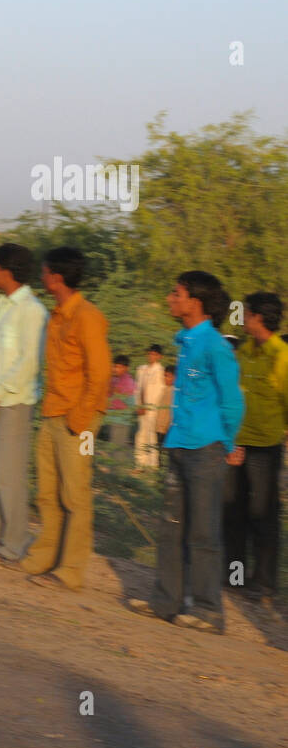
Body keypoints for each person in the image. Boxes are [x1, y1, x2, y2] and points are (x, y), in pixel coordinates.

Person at [129, 271, 244, 632]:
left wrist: (226, 444)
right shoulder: (186, 342)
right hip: (178, 447)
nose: (169, 298)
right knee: (171, 528)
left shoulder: (215, 347)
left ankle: (209, 610)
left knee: (203, 532)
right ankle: (167, 601)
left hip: (206, 451)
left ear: (195, 302)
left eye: (175, 293)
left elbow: (232, 402)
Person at [20, 247, 111, 591]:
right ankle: (46, 556)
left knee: (75, 495)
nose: (41, 278)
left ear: (56, 277)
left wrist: (81, 418)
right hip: (53, 412)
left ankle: (71, 570)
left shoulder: (87, 316)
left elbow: (101, 374)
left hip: (79, 419)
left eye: (44, 272)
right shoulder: (57, 313)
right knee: (47, 493)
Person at [0, 243, 47, 561]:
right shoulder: (2, 307)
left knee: (8, 475)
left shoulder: (33, 311)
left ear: (8, 271)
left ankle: (14, 542)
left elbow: (28, 362)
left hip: (13, 403)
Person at [223, 292, 288, 605]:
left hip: (265, 448)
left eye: (245, 313)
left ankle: (264, 585)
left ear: (259, 317)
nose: (242, 318)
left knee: (263, 515)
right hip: (238, 443)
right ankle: (235, 577)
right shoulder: (244, 352)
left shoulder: (282, 356)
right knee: (233, 512)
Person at [134, 344, 167, 468]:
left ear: (159, 356)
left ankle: (153, 466)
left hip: (152, 410)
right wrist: (138, 405)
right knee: (140, 436)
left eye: (154, 354)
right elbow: (137, 389)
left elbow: (160, 392)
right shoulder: (141, 369)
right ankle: (140, 464)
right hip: (141, 408)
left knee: (151, 438)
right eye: (150, 353)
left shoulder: (160, 371)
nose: (151, 356)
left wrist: (148, 406)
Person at [104, 355, 137, 449]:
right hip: (109, 420)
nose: (116, 369)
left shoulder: (129, 383)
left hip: (121, 422)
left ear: (126, 368)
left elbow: (132, 405)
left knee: (117, 452)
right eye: (115, 366)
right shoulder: (113, 380)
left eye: (119, 367)